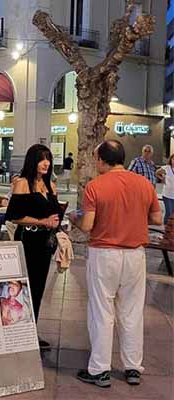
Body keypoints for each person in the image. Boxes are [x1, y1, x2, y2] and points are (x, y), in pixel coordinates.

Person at [69, 140, 161, 388]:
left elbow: (87, 225)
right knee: (131, 312)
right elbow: (157, 217)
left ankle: (100, 370)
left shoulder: (95, 186)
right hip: (135, 255)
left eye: (96, 158)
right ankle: (132, 367)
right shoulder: (143, 183)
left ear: (101, 160)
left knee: (102, 311)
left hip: (104, 254)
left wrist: (74, 219)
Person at [4, 144, 62, 348]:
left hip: (45, 244)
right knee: (22, 287)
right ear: (32, 161)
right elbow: (14, 216)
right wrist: (42, 222)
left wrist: (56, 224)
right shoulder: (22, 183)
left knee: (38, 288)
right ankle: (16, 332)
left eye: (48, 159)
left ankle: (31, 332)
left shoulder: (50, 185)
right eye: (41, 159)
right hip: (28, 240)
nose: (46, 163)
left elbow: (55, 213)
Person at [156, 153, 174, 224]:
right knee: (169, 212)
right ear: (171, 160)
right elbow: (157, 173)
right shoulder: (166, 168)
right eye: (173, 159)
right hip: (167, 195)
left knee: (173, 213)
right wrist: (162, 179)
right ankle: (165, 227)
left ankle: (171, 229)